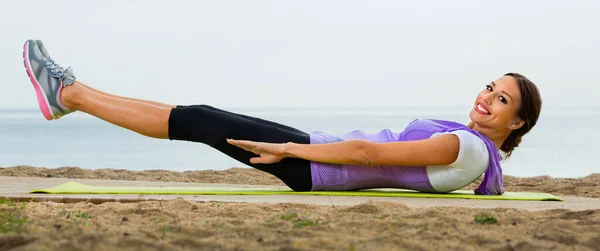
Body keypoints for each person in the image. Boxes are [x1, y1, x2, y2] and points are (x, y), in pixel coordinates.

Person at [22, 39, 542, 195]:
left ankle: (69, 93)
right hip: (318, 153)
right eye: (490, 88)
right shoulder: (472, 145)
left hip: (315, 164)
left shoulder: (469, 149)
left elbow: (368, 155)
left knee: (201, 120)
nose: (486, 98)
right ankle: (72, 94)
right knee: (201, 116)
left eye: (500, 101)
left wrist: (289, 151)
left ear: (515, 122)